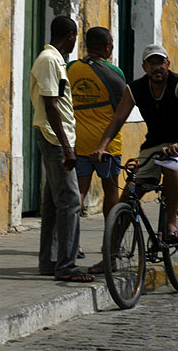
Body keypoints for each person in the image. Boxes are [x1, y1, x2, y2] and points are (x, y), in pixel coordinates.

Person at [90, 43, 178, 242]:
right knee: (128, 197)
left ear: (168, 64)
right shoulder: (135, 89)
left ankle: (170, 224)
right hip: (153, 146)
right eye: (151, 63)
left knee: (171, 164)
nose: (156, 67)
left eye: (160, 62)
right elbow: (117, 120)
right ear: (144, 67)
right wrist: (101, 147)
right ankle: (111, 255)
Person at [30, 15, 94, 283]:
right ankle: (66, 265)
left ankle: (50, 260)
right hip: (55, 138)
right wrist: (68, 148)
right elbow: (51, 106)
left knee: (53, 202)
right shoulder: (48, 61)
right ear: (70, 35)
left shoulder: (56, 61)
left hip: (60, 137)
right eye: (75, 35)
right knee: (69, 201)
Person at [67, 27, 126, 271]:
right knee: (111, 191)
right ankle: (110, 243)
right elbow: (123, 107)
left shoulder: (71, 69)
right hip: (107, 144)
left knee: (77, 194)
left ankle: (73, 244)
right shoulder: (114, 72)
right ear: (108, 47)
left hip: (79, 141)